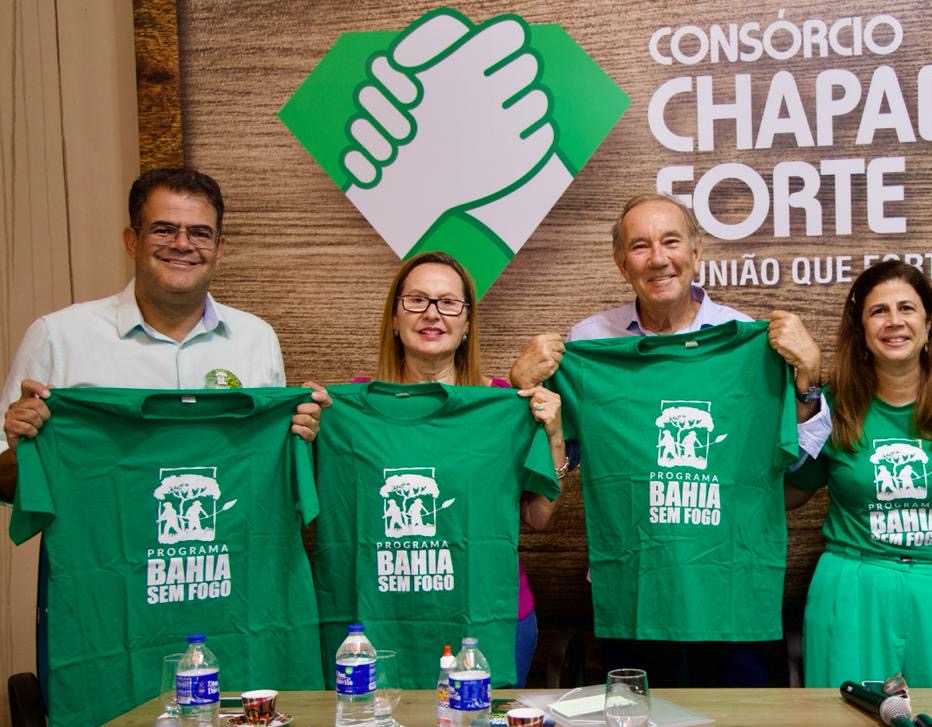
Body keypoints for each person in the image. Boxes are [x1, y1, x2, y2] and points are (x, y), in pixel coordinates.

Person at [509, 192, 828, 687]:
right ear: (622, 263)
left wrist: (807, 384)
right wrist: (522, 391)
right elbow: (549, 466)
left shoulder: (751, 342)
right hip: (636, 592)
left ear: (696, 252)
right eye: (640, 246)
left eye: (671, 241)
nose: (658, 258)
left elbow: (794, 465)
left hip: (729, 591)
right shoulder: (590, 345)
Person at [1, 168, 328, 501]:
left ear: (219, 248)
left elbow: (269, 474)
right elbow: (3, 479)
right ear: (132, 241)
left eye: (200, 233)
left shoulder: (256, 339)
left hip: (220, 532)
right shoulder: (58, 337)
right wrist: (21, 448)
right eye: (164, 230)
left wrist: (305, 439)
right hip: (100, 535)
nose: (182, 244)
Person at [786, 260, 932, 687]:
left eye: (906, 308)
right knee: (844, 726)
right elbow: (789, 492)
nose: (894, 321)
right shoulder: (832, 406)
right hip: (852, 589)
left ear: (929, 323)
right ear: (861, 329)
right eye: (879, 311)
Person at [373, 250, 565, 687]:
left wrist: (553, 438)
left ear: (466, 324)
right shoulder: (351, 410)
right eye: (416, 300)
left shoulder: (504, 403)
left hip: (492, 616)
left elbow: (539, 517)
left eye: (448, 303)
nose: (432, 313)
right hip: (391, 617)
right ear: (394, 318)